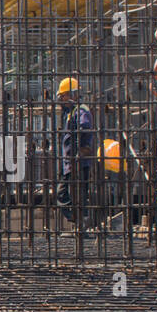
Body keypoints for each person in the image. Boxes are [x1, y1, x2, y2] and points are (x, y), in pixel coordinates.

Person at [56, 77, 95, 225]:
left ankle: (80, 221)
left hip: (78, 161)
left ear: (72, 94)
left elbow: (85, 126)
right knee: (68, 193)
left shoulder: (81, 110)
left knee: (71, 193)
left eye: (64, 96)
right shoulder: (71, 111)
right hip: (70, 162)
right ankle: (78, 220)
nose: (62, 99)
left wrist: (79, 149)